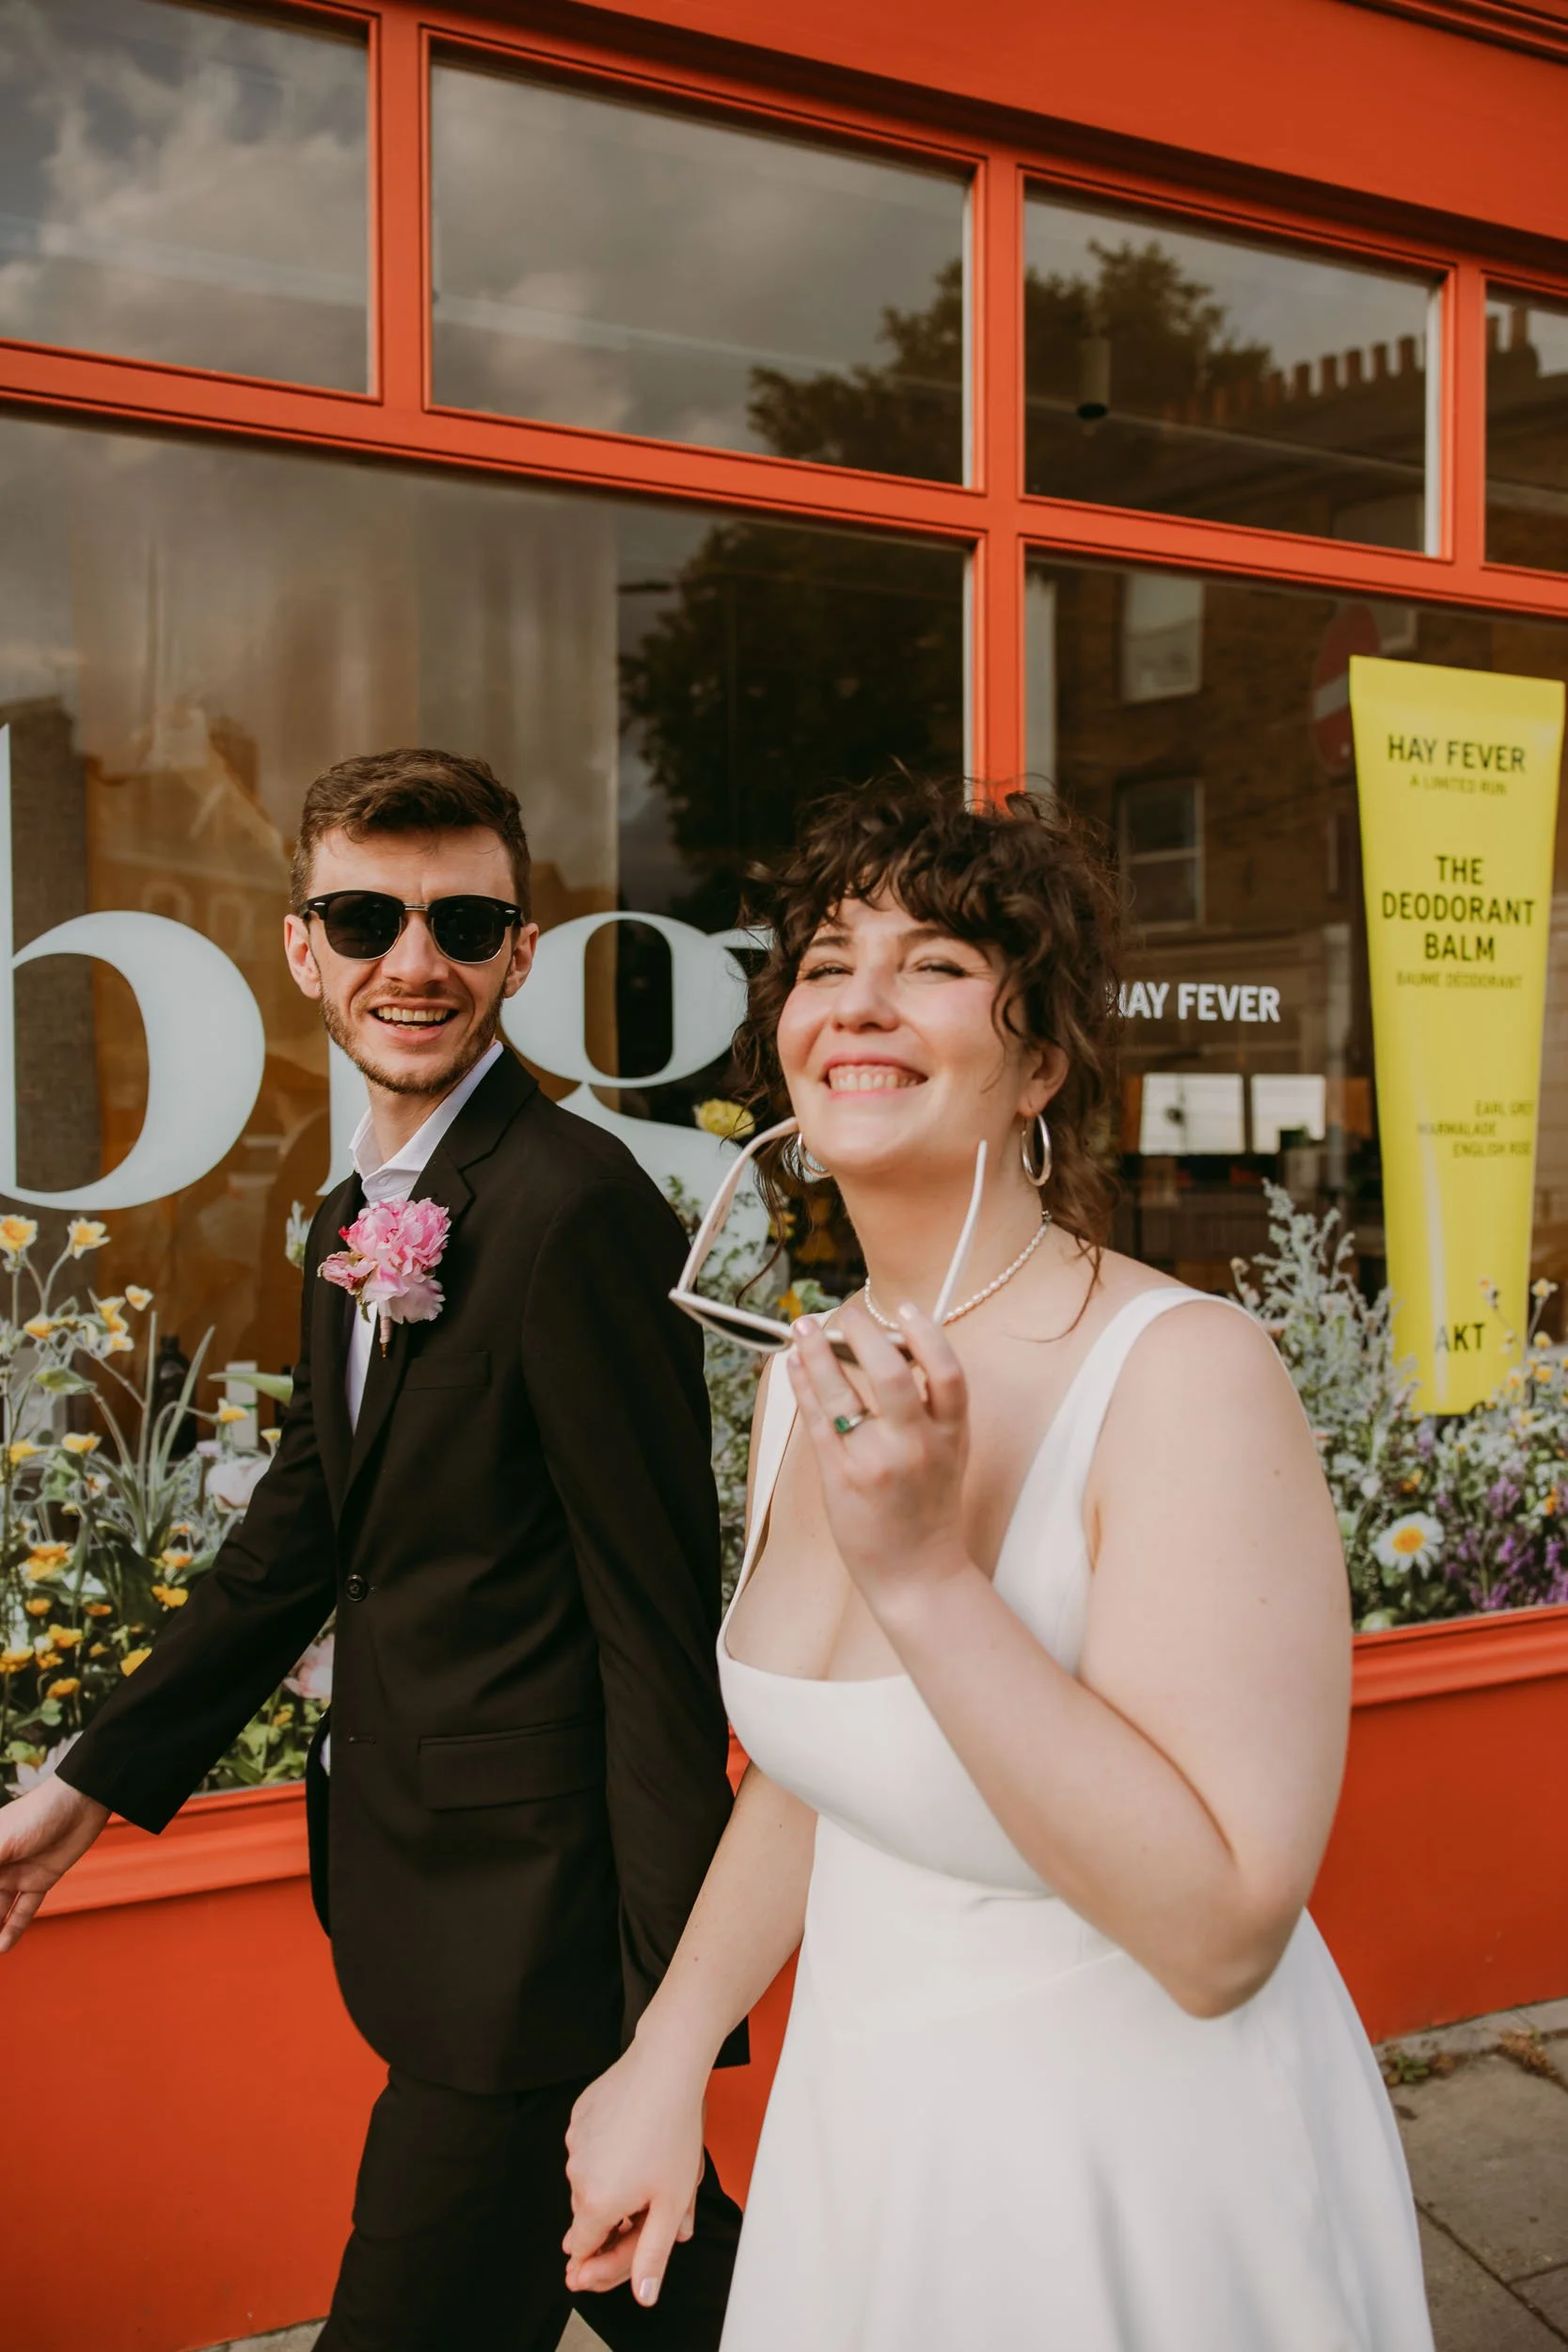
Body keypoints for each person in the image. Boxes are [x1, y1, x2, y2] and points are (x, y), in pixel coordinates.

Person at [562, 778, 1434, 2351]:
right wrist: (668, 2053)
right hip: (870, 2130)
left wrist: (927, 1581)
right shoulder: (801, 1371)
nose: (861, 1003)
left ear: (1039, 1063)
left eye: (938, 962)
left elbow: (1221, 1933)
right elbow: (822, 1771)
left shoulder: (1180, 1375)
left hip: (1125, 2169)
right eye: (826, 964)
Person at [0, 748, 743, 2352]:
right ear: (302, 948)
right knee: (655, 2281)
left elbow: (653, 1618)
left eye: (463, 922)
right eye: (365, 916)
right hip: (422, 1883)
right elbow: (300, 1535)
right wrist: (83, 1788)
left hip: (533, 1929)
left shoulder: (572, 1209)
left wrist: (672, 2020)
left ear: (520, 956)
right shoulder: (359, 1204)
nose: (414, 962)